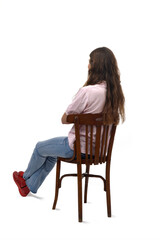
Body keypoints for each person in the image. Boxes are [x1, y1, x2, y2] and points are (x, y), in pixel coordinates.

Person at [13, 47, 125, 197]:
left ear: (96, 65)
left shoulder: (88, 91)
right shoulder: (115, 94)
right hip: (99, 152)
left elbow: (65, 118)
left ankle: (24, 177)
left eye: (90, 62)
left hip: (77, 149)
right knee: (51, 154)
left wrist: (73, 116)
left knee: (40, 148)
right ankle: (29, 186)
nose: (88, 65)